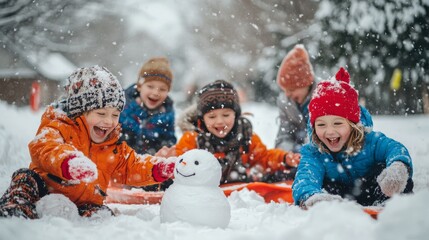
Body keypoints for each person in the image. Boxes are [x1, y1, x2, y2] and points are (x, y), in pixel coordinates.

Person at [0, 65, 175, 219]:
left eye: (115, 115)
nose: (109, 121)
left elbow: (133, 165)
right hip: (47, 191)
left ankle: (94, 218)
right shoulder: (61, 126)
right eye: (101, 114)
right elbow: (45, 146)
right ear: (80, 111)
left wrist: (157, 169)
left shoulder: (113, 145)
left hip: (87, 201)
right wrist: (68, 162)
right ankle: (17, 207)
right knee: (25, 177)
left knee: (100, 211)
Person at [292, 67, 414, 208]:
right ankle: (324, 201)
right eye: (321, 125)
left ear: (352, 125)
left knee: (386, 171)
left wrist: (398, 166)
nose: (329, 131)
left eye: (337, 123)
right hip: (337, 199)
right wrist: (311, 197)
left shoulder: (370, 141)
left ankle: (393, 205)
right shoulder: (314, 152)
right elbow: (305, 177)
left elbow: (394, 148)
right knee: (322, 183)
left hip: (373, 192)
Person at [173, 79, 300, 184]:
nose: (219, 122)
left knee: (281, 176)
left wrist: (284, 158)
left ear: (236, 114)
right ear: (202, 119)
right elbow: (178, 164)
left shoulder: (245, 136)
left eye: (226, 115)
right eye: (212, 117)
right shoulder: (193, 139)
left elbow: (263, 157)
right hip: (206, 195)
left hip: (239, 190)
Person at [119, 57, 176, 156]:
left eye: (162, 89)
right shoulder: (123, 106)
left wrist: (165, 151)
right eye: (150, 86)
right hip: (122, 160)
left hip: (150, 163)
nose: (155, 93)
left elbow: (169, 140)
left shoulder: (167, 114)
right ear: (140, 86)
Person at [275, 44, 317, 153]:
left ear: (306, 84)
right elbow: (283, 136)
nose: (287, 94)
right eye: (285, 90)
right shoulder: (285, 102)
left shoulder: (325, 99)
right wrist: (288, 154)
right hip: (295, 157)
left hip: (319, 158)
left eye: (292, 89)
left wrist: (305, 152)